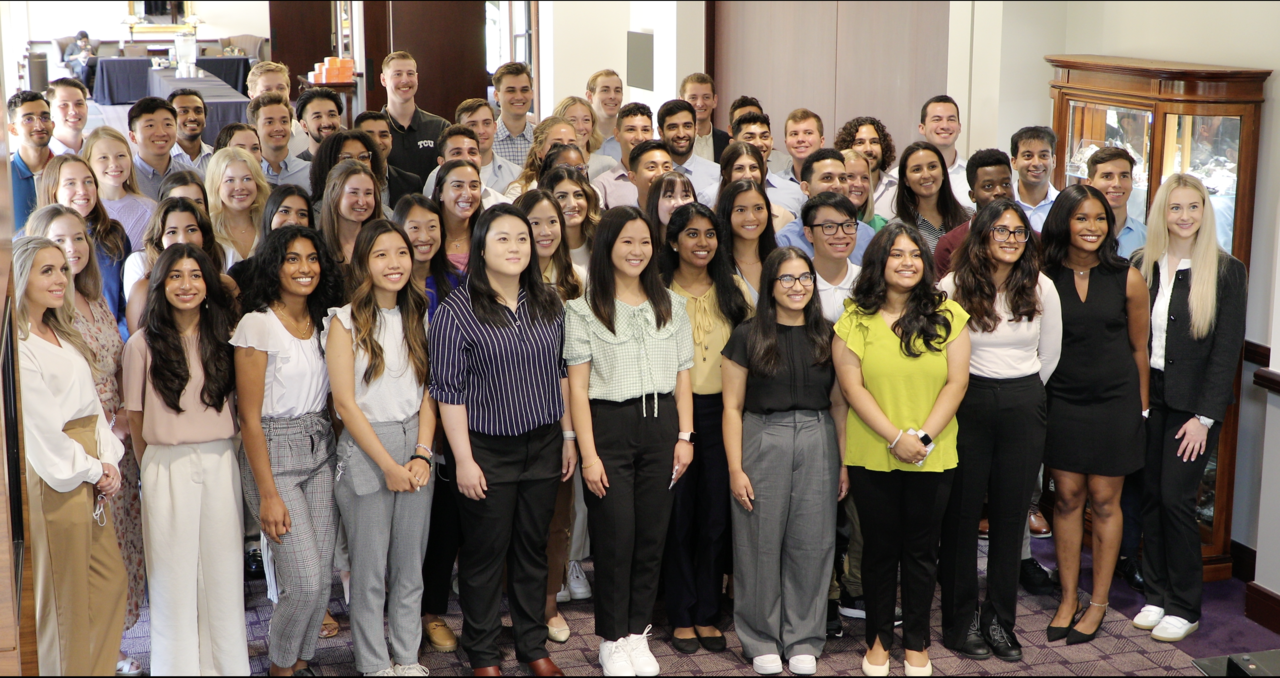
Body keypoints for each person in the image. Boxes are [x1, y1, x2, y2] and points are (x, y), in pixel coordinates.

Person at [429, 204, 573, 677]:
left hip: (544, 442)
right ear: (481, 247)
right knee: (485, 554)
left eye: (522, 239)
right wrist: (463, 460)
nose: (516, 248)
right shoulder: (456, 311)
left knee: (531, 549)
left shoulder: (548, 299)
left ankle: (532, 645)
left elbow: (562, 373)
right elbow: (447, 392)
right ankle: (485, 653)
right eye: (503, 239)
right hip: (485, 449)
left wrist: (568, 436)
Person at [832, 222, 971, 677]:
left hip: (934, 453)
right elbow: (852, 388)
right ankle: (876, 641)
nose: (908, 262)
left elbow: (957, 382)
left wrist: (923, 438)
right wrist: (896, 438)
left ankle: (915, 642)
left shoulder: (948, 313)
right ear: (880, 261)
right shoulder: (854, 319)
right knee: (877, 550)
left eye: (915, 254)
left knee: (920, 552)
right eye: (897, 254)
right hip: (874, 451)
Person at [565, 205, 695, 676]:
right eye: (627, 242)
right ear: (607, 248)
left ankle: (638, 633)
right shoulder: (582, 310)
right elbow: (577, 388)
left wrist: (685, 436)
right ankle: (611, 638)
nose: (638, 251)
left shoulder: (672, 305)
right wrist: (589, 455)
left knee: (651, 536)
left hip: (661, 425)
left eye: (644, 242)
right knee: (615, 536)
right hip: (609, 427)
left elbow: (683, 377)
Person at [936, 200, 1061, 662]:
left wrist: (1019, 394)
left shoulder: (1042, 286)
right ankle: (961, 620)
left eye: (1019, 232)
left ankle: (999, 620)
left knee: (1011, 520)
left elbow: (1050, 356)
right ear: (982, 235)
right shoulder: (951, 286)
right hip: (966, 403)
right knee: (962, 517)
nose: (1010, 240)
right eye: (1001, 231)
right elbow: (941, 353)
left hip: (1024, 403)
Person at [123, 243, 249, 675]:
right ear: (160, 284)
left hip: (219, 461)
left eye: (195, 275)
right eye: (175, 275)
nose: (186, 284)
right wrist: (152, 468)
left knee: (223, 574)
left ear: (208, 283)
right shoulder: (141, 345)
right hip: (165, 464)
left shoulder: (225, 339)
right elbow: (135, 419)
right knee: (173, 579)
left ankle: (226, 667)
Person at [1132, 174, 1246, 642]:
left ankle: (1184, 605)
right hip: (1149, 398)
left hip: (1193, 407)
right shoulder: (1143, 263)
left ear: (1205, 210)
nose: (1184, 217)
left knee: (1178, 501)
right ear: (1162, 211)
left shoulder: (1225, 270)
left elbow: (1226, 351)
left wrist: (1204, 418)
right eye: (1175, 207)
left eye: (1193, 207)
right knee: (1151, 498)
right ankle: (1156, 596)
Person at [724, 246, 846, 676]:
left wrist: (844, 462)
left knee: (813, 543)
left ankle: (804, 638)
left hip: (818, 436)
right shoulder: (747, 334)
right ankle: (760, 637)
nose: (798, 287)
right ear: (771, 286)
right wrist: (736, 468)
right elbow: (732, 407)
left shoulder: (828, 333)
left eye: (805, 278)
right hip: (763, 436)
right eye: (787, 279)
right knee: (758, 540)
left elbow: (838, 403)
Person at [1040, 184, 1150, 646]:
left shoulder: (1128, 276)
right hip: (1061, 399)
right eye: (1082, 218)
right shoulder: (1041, 276)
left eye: (1100, 219)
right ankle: (1068, 597)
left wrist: (1141, 409)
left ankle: (1099, 601)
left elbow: (1140, 348)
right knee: (1066, 496)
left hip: (1116, 402)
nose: (1092, 227)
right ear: (1065, 221)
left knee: (1105, 499)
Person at [324, 219, 435, 676]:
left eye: (401, 253)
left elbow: (432, 389)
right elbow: (346, 406)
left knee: (410, 567)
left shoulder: (420, 312)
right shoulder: (343, 320)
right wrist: (389, 464)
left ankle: (407, 658)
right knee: (369, 572)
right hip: (368, 448)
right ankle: (374, 663)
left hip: (416, 444)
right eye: (382, 254)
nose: (395, 263)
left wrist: (424, 451)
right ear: (363, 262)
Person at [15, 235, 128, 676]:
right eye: (47, 270)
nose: (61, 278)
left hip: (90, 466)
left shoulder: (60, 331)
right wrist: (90, 467)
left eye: (62, 269)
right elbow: (42, 429)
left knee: (108, 585)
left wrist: (110, 460)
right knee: (65, 607)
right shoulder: (20, 345)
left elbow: (93, 408)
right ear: (22, 276)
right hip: (57, 475)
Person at [234, 226, 343, 677]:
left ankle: (301, 661)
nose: (304, 268)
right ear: (274, 266)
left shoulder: (325, 320)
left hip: (321, 448)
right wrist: (267, 494)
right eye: (292, 259)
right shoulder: (257, 323)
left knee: (322, 583)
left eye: (312, 258)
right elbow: (249, 419)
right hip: (274, 451)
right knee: (302, 580)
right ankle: (280, 667)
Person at [658, 201, 751, 655]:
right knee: (678, 516)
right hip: (670, 415)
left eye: (710, 234)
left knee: (715, 515)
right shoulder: (655, 291)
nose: (702, 243)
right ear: (673, 240)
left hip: (723, 413)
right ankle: (679, 611)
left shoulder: (734, 292)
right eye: (691, 234)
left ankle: (708, 611)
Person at [37, 154, 132, 335]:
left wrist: (120, 339)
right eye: (71, 183)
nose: (82, 190)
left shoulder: (113, 236)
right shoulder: (30, 241)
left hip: (112, 339)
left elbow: (126, 302)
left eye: (88, 182)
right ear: (52, 190)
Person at [122, 197, 233, 333]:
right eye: (172, 232)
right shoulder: (142, 289)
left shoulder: (225, 284)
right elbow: (139, 344)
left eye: (191, 230)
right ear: (158, 239)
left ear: (204, 236)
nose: (183, 240)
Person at [774, 149, 876, 266]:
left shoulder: (866, 235)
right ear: (806, 188)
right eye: (827, 178)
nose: (837, 186)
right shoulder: (786, 240)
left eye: (842, 179)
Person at [933, 149, 1014, 277]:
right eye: (988, 186)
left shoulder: (1032, 239)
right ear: (973, 195)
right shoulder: (950, 244)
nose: (1000, 191)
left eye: (1006, 184)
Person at [84, 126, 158, 248]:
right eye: (103, 157)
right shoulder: (83, 209)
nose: (114, 164)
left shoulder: (150, 209)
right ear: (88, 162)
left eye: (121, 156)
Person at [226, 183, 316, 284]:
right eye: (285, 211)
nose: (294, 221)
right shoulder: (241, 273)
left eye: (302, 214)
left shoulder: (318, 270)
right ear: (270, 215)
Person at [380, 51, 449, 180]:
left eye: (410, 74)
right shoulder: (373, 131)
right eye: (397, 74)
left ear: (416, 78)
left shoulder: (440, 127)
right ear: (383, 80)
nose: (405, 80)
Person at [895, 141, 971, 253]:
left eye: (932, 167)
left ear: (943, 172)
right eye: (917, 169)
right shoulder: (898, 228)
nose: (926, 175)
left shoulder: (967, 219)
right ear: (905, 179)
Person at [730, 112, 807, 217]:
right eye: (749, 138)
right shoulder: (712, 195)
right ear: (733, 144)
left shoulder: (795, 192)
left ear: (771, 141)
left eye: (764, 137)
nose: (759, 143)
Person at [701, 141, 797, 226]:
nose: (748, 175)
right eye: (739, 169)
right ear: (725, 174)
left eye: (753, 168)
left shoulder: (782, 217)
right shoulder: (709, 220)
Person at [803, 192, 864, 324]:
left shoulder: (868, 281)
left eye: (848, 225)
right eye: (829, 227)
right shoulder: (800, 285)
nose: (841, 235)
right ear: (809, 233)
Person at [207, 147, 271, 269]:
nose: (239, 187)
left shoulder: (270, 226)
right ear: (216, 185)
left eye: (247, 179)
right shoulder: (206, 232)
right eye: (230, 180)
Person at [718, 178, 779, 303]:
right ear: (726, 213)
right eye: (740, 210)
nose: (751, 217)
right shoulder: (716, 266)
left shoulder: (780, 262)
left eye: (758, 208)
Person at [128, 97, 200, 201]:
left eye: (168, 124)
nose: (161, 133)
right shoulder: (123, 180)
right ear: (133, 136)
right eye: (150, 125)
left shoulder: (195, 177)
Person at [423, 124, 512, 208]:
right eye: (457, 153)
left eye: (472, 153)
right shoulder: (427, 210)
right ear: (442, 162)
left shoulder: (501, 205)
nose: (466, 159)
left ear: (480, 159)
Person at [309, 129, 391, 216]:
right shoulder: (311, 216)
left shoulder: (387, 215)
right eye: (347, 158)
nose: (357, 164)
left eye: (363, 157)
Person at [318, 159, 383, 265]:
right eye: (353, 193)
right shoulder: (315, 246)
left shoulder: (382, 243)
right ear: (334, 194)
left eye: (368, 193)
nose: (362, 202)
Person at [1085, 147, 1146, 258]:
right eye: (1107, 176)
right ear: (1089, 183)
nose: (1117, 184)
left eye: (1124, 176)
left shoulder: (1147, 238)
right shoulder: (1079, 235)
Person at [356, 110, 424, 209]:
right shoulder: (344, 182)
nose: (377, 142)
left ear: (391, 140)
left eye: (383, 135)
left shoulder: (412, 183)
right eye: (369, 136)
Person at [834, 116, 898, 221]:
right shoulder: (835, 190)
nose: (868, 149)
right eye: (860, 142)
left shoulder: (897, 189)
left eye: (874, 142)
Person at [453, 97, 521, 195]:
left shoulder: (516, 175)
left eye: (486, 123)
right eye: (472, 125)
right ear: (458, 130)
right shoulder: (439, 176)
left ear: (494, 127)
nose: (481, 131)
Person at [592, 102, 653, 210]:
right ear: (617, 134)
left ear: (652, 133)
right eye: (631, 129)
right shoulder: (602, 186)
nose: (639, 137)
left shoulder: (665, 179)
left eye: (645, 130)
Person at [8, 91, 54, 233]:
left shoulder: (66, 171)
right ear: (13, 129)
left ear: (52, 124)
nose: (39, 125)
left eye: (44, 118)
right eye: (28, 119)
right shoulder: (5, 176)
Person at [917, 95, 972, 209]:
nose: (945, 126)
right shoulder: (899, 176)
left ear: (959, 127)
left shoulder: (973, 174)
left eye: (951, 119)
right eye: (937, 119)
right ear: (922, 128)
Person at [658, 99, 720, 200]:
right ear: (661, 132)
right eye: (673, 127)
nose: (681, 134)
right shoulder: (653, 176)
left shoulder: (717, 174)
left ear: (695, 129)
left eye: (687, 126)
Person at [544, 165, 603, 270]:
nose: (572, 204)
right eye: (561, 197)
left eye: (578, 195)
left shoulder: (603, 241)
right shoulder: (542, 248)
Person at [250, 92, 313, 189]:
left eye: (284, 121)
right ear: (254, 129)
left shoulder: (310, 172)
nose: (278, 128)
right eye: (269, 122)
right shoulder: (248, 174)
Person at [504, 116, 577, 199]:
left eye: (571, 144)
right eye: (557, 145)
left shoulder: (588, 190)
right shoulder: (518, 192)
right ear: (539, 150)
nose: (565, 151)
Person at [431, 159, 484, 271]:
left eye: (474, 186)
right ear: (440, 193)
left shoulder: (487, 236)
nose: (467, 194)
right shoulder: (428, 237)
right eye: (458, 186)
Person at [1010, 126, 1060, 231]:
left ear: (1053, 161)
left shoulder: (1065, 205)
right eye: (1028, 156)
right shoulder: (1003, 204)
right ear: (1014, 162)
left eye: (1043, 155)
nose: (1036, 163)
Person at [554, 95, 614, 180]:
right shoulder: (551, 166)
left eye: (586, 120)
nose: (580, 127)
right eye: (573, 120)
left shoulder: (607, 166)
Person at [492, 61, 537, 165]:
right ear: (496, 95)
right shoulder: (486, 140)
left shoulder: (542, 139)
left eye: (524, 90)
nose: (519, 97)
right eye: (511, 91)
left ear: (532, 93)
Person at [680, 73, 730, 164]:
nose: (700, 103)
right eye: (693, 98)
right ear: (681, 101)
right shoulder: (672, 143)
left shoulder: (728, 142)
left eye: (706, 97)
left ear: (714, 100)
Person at [168, 88, 213, 172]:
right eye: (184, 111)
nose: (192, 117)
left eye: (198, 111)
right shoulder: (162, 159)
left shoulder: (216, 157)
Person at [841, 149, 887, 231]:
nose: (859, 184)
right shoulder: (817, 221)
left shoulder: (881, 227)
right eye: (850, 176)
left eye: (864, 177)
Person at [295, 87, 343, 162]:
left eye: (332, 115)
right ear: (304, 125)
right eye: (317, 117)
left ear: (339, 120)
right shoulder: (295, 168)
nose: (327, 123)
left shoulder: (352, 161)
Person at [587, 69, 626, 162]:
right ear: (589, 96)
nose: (612, 96)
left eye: (617, 91)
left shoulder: (628, 138)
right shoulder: (582, 137)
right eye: (605, 90)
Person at [628, 139, 675, 212]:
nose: (661, 173)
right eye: (651, 167)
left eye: (666, 167)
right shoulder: (626, 221)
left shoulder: (684, 218)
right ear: (633, 178)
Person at [46, 78, 90, 155]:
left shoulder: (97, 151)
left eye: (79, 104)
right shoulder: (41, 156)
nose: (73, 111)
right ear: (49, 110)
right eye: (64, 105)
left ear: (86, 108)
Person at [781, 109, 824, 186]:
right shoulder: (774, 184)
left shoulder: (834, 183)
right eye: (794, 134)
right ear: (786, 142)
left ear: (822, 141)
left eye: (808, 133)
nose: (800, 139)